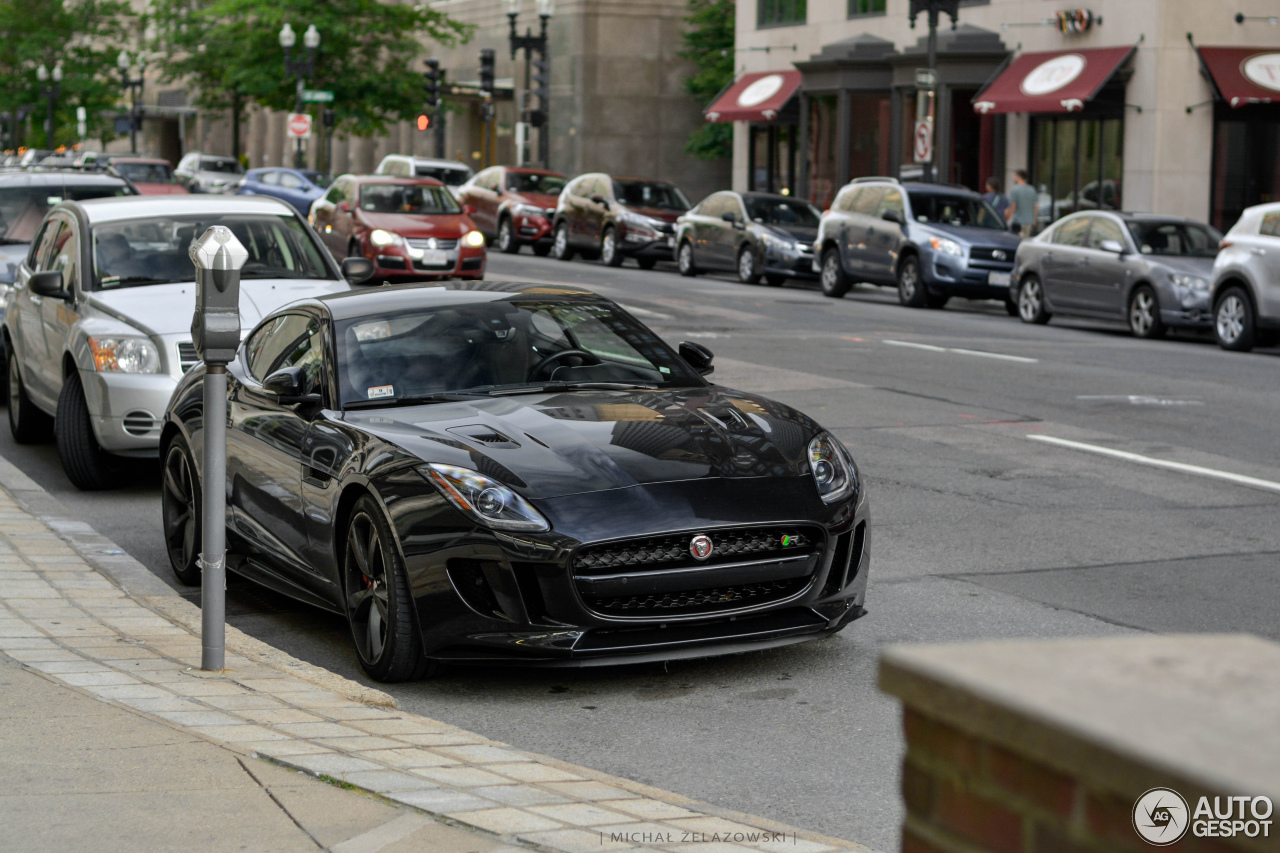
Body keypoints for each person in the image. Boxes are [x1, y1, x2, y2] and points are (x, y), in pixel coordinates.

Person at [1007, 169, 1037, 236]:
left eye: (1015, 176)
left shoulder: (1015, 189)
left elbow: (1013, 206)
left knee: (1016, 242)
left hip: (1018, 222)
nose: (1014, 178)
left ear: (1018, 177)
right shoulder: (1032, 189)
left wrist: (1007, 218)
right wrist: (1034, 219)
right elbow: (1035, 206)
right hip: (1029, 222)